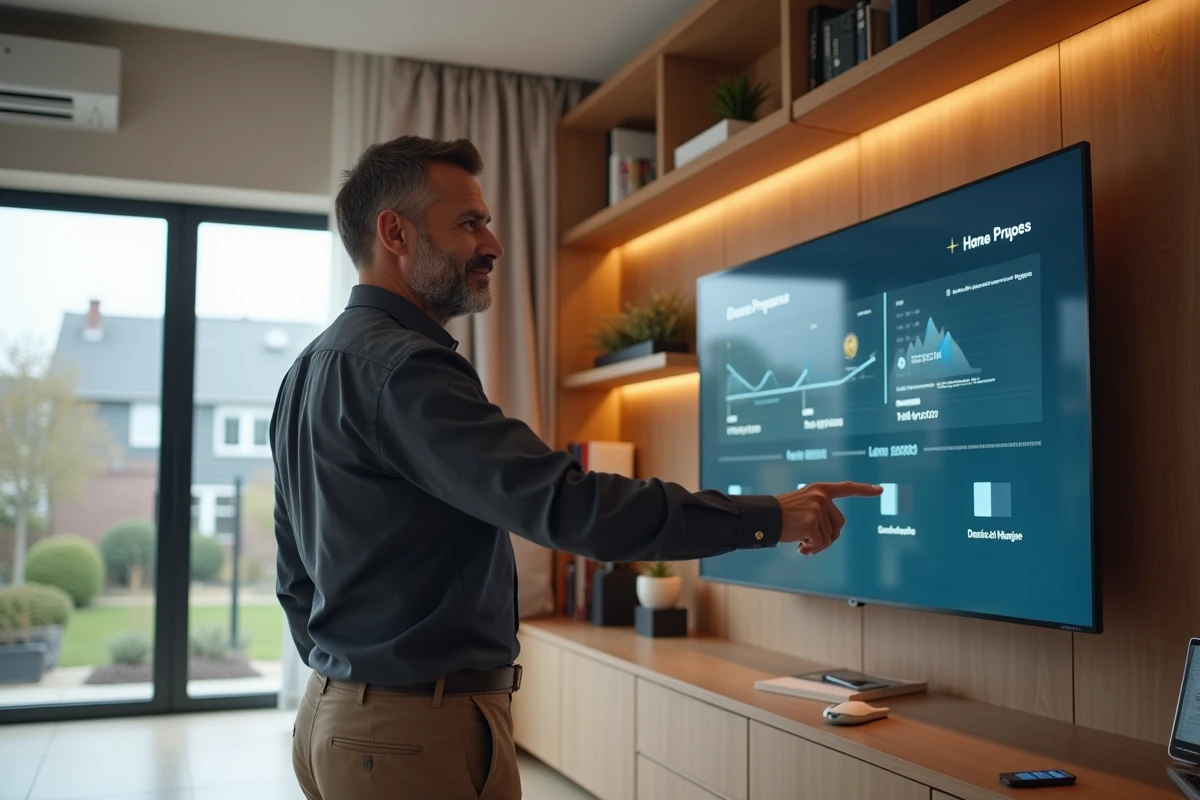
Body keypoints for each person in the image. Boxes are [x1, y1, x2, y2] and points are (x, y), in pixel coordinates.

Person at [271, 134, 882, 800]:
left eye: (490, 223)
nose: (493, 245)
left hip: (342, 717)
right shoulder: (407, 369)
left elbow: (294, 574)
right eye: (469, 223)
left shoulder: (309, 369)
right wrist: (769, 516)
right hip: (411, 732)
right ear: (394, 232)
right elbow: (568, 506)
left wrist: (352, 684)